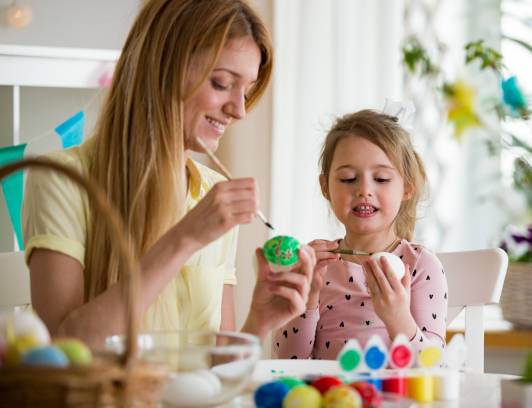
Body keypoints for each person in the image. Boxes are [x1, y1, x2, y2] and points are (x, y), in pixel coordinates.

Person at [21, 0, 315, 348]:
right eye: (222, 83)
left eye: (247, 90)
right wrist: (184, 239)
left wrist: (257, 323)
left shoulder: (214, 190)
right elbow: (65, 353)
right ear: (162, 70)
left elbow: (213, 374)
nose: (239, 110)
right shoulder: (63, 180)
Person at [274, 109, 447, 361]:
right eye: (348, 178)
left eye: (381, 179)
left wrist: (398, 319)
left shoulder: (421, 266)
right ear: (325, 187)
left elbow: (434, 367)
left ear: (407, 187)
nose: (364, 190)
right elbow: (289, 361)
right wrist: (308, 295)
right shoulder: (318, 267)